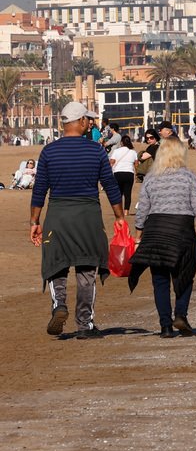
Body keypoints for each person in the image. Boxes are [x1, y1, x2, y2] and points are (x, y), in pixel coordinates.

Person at [30, 102, 126, 339]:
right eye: (89, 119)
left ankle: (59, 305)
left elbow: (39, 190)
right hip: (88, 216)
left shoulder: (49, 152)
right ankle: (85, 324)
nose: (91, 123)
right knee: (86, 271)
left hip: (58, 216)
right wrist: (120, 217)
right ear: (81, 122)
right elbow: (111, 187)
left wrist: (34, 221)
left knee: (56, 266)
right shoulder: (96, 151)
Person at [128, 138, 196, 338]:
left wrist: (138, 236)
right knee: (185, 275)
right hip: (182, 230)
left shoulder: (150, 177)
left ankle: (165, 326)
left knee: (160, 280)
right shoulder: (189, 176)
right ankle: (181, 314)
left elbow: (142, 210)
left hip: (155, 230)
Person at [109, 134, 139, 209]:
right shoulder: (133, 152)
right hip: (129, 174)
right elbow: (136, 165)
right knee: (127, 194)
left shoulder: (116, 151)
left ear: (121, 143)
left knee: (119, 194)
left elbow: (111, 162)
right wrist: (137, 174)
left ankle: (119, 210)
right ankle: (126, 211)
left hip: (118, 174)